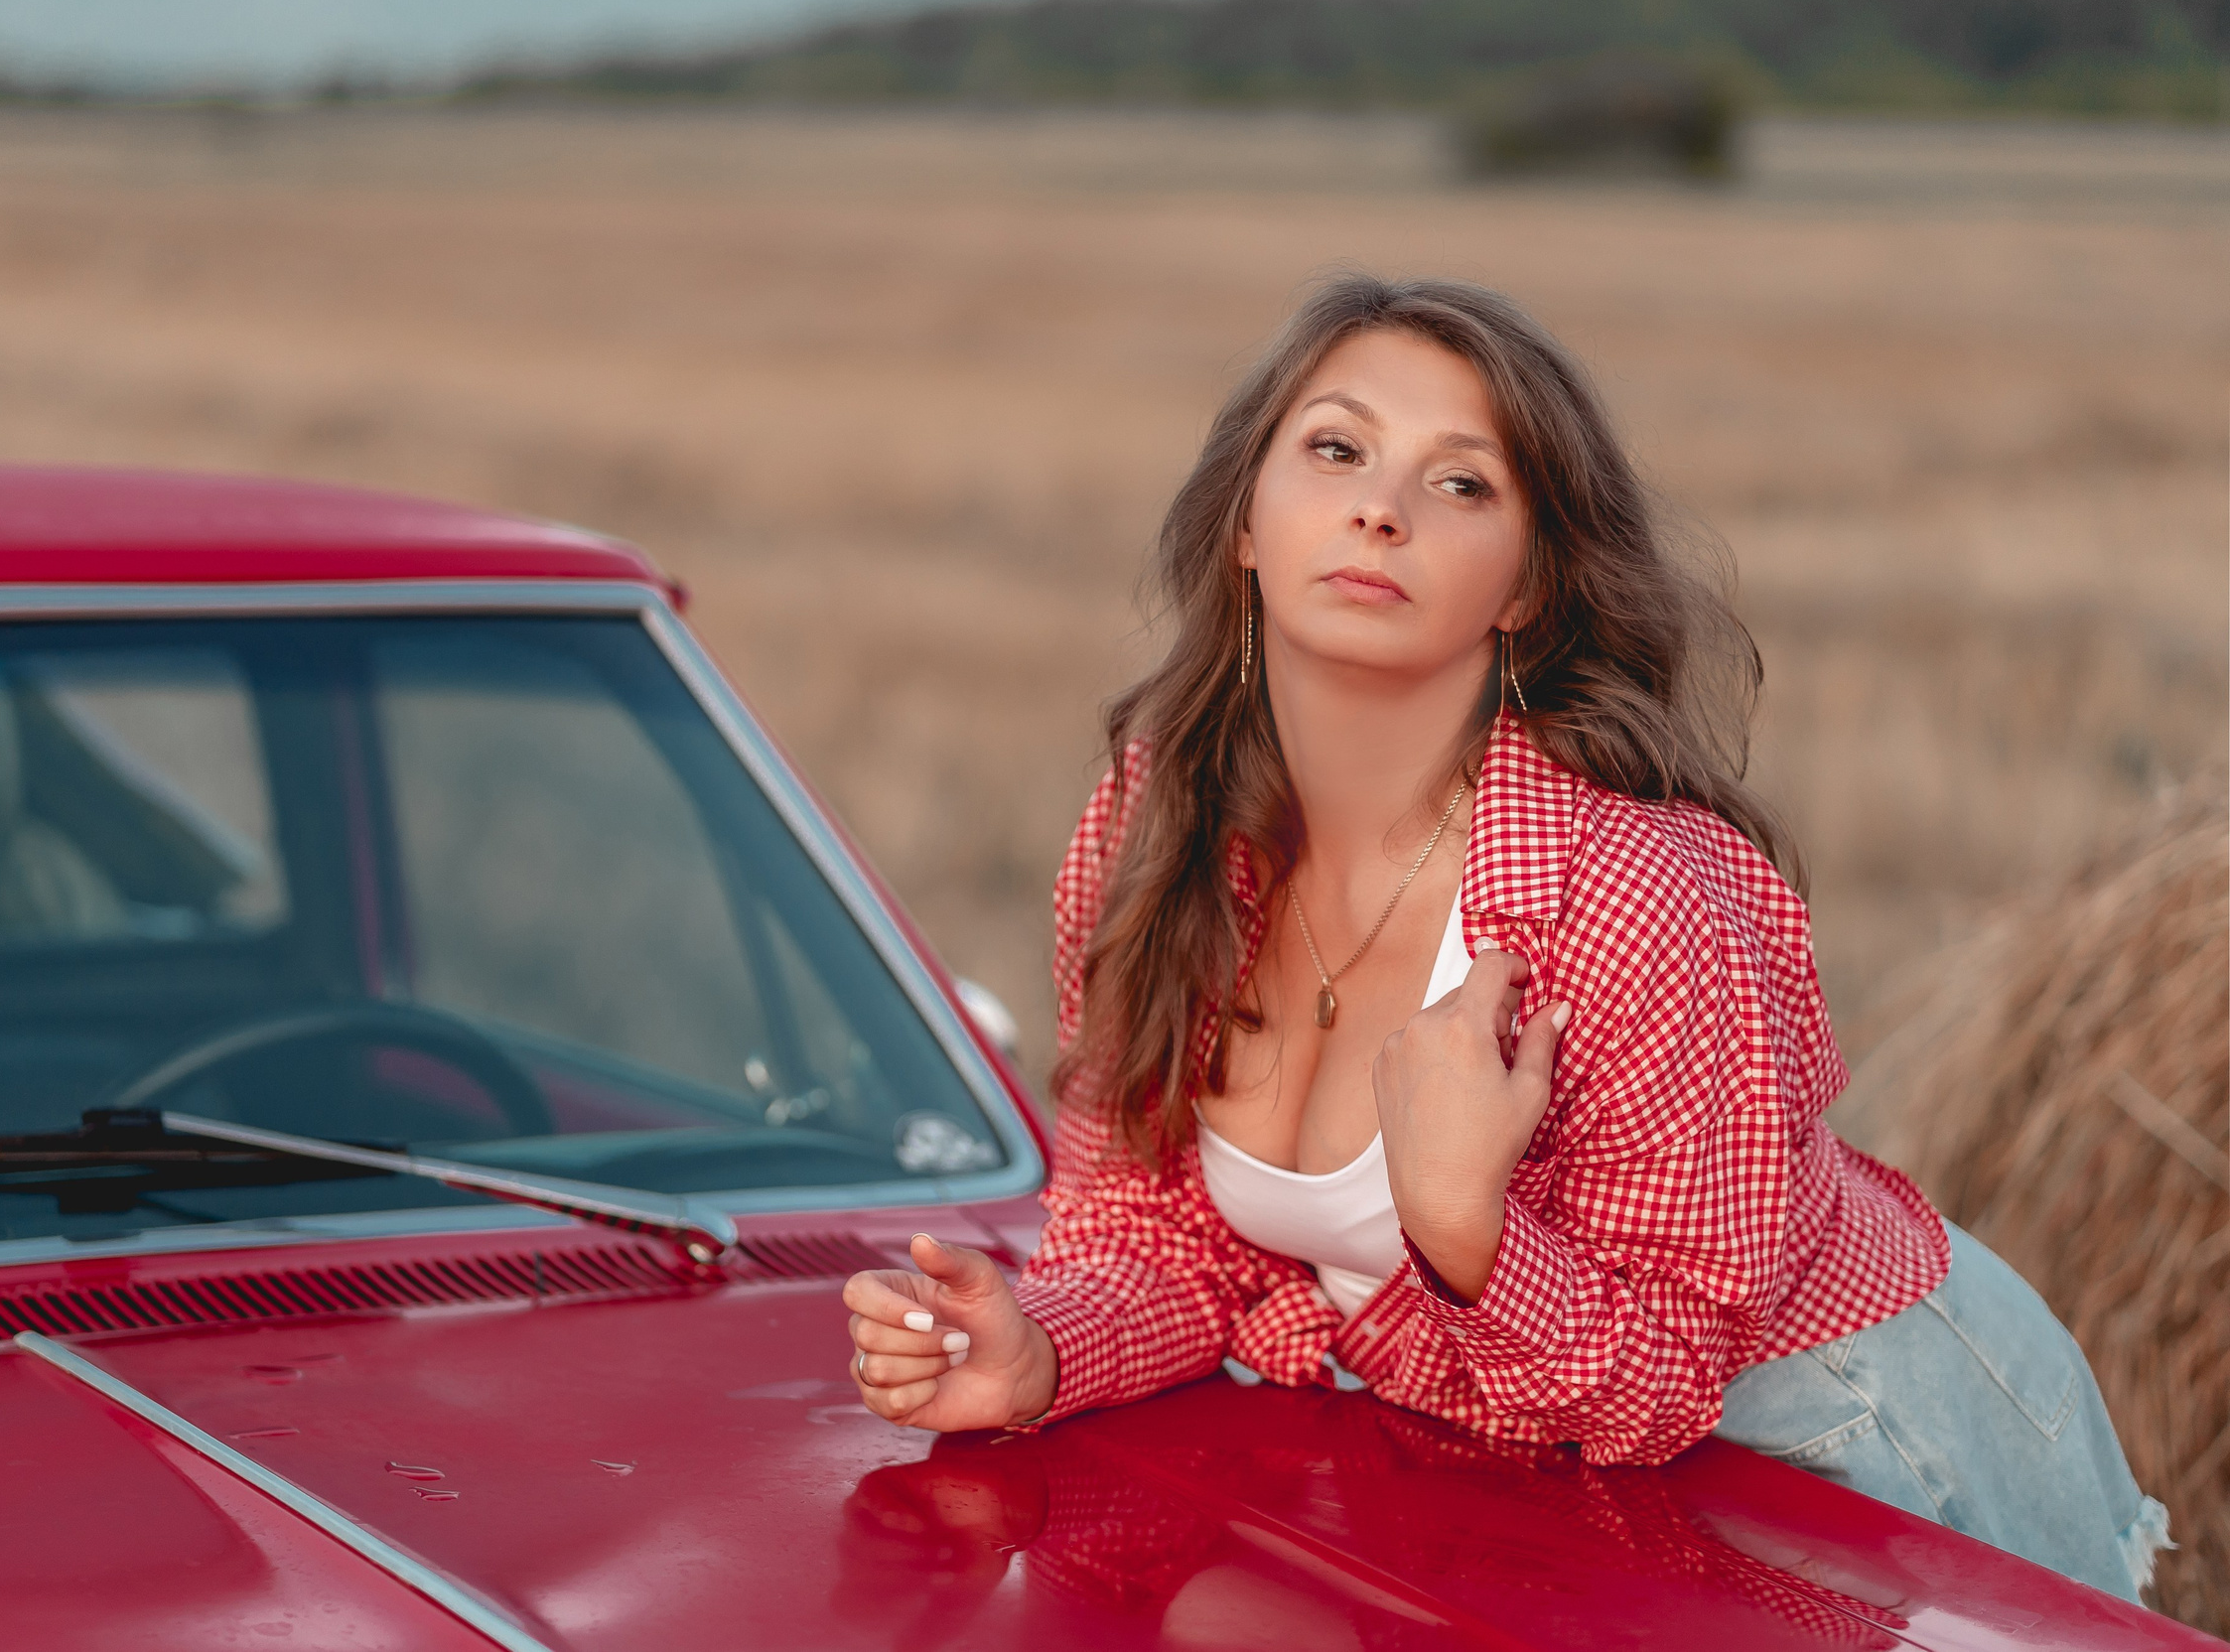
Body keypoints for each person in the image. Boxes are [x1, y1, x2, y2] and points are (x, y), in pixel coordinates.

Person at [838, 274, 2168, 1600]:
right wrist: (1041, 1352)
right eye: (1337, 448)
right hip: (1519, 1473)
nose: (1381, 508)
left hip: (1852, 1447)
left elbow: (1662, 1385)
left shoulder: (1634, 894)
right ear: (1245, 518)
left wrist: (1471, 1225)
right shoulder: (1161, 826)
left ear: (1529, 585)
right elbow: (1163, 1240)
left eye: (1461, 484)